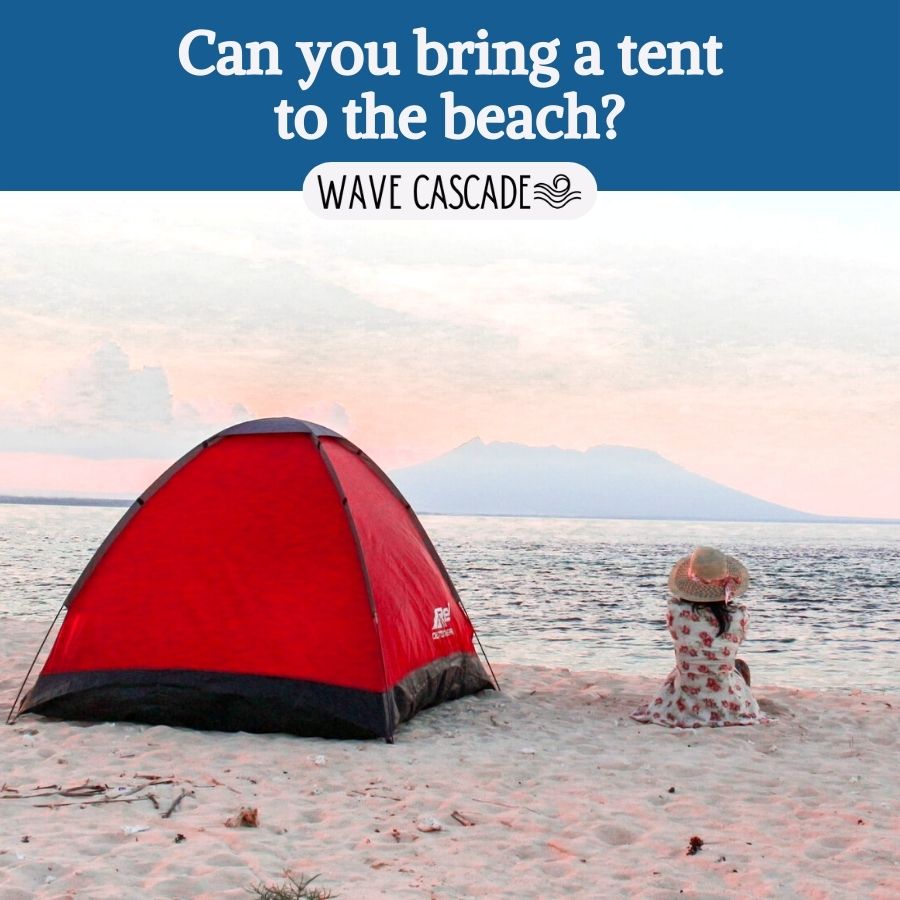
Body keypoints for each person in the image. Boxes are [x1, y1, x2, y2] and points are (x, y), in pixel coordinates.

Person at [632, 546, 768, 728]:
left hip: (685, 700)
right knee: (739, 666)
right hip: (726, 699)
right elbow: (734, 645)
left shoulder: (676, 612)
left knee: (683, 664)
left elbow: (677, 639)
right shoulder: (738, 616)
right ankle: (730, 705)